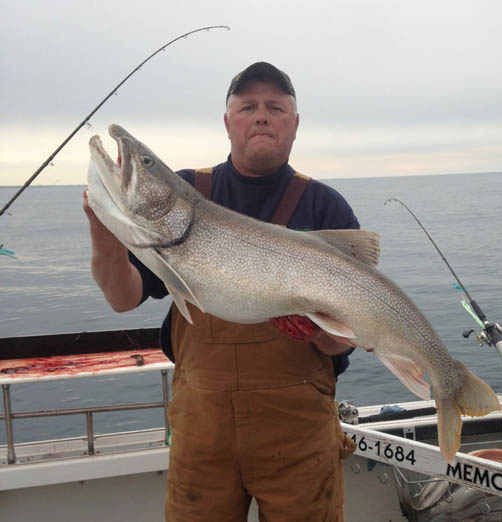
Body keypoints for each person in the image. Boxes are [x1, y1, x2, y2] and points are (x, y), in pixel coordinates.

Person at [83, 61, 359, 522]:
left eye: (276, 107)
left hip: (299, 438)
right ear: (227, 121)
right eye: (247, 106)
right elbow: (122, 297)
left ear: (295, 123)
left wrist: (315, 331)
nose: (261, 116)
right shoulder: (188, 190)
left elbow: (342, 339)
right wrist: (104, 229)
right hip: (201, 435)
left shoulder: (325, 206)